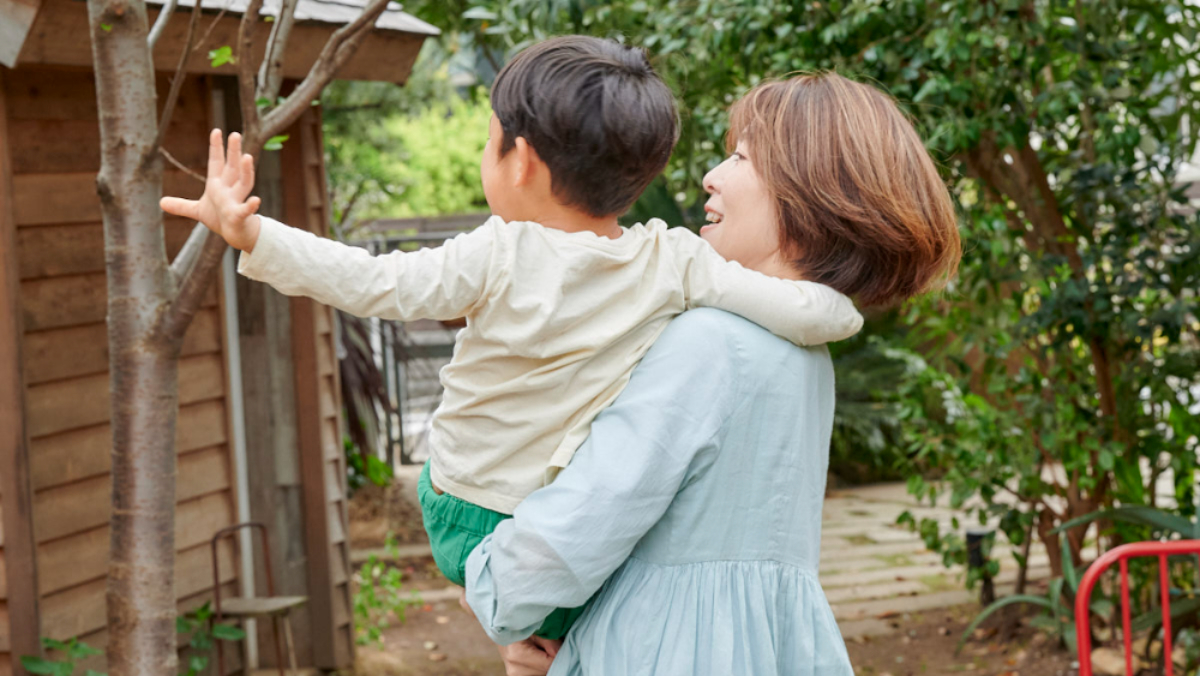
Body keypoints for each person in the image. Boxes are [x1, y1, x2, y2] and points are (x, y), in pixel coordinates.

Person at [159, 37, 864, 640]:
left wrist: (251, 232)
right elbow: (793, 308)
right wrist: (844, 315)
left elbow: (374, 283)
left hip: (462, 510)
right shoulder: (673, 259)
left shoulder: (496, 253)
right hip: (566, 540)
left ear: (519, 159)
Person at [462, 72, 962, 675]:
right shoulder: (804, 352)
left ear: (810, 195)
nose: (713, 175)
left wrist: (495, 588)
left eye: (742, 157)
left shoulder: (711, 340)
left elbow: (589, 515)